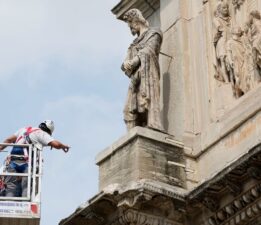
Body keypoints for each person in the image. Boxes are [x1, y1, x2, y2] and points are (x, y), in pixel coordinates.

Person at [0, 120, 70, 197]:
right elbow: (56, 144)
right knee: (26, 186)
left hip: (12, 162)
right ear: (49, 132)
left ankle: (9, 205)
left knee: (11, 187)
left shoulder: (24, 129)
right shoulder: (42, 134)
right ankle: (24, 207)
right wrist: (63, 146)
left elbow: (8, 140)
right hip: (26, 164)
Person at [121, 8, 163, 131]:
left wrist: (134, 62)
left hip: (148, 76)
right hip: (135, 80)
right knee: (128, 110)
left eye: (130, 26)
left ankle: (152, 127)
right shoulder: (134, 43)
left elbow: (149, 50)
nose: (131, 30)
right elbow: (125, 61)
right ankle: (132, 137)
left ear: (135, 22)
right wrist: (126, 64)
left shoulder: (154, 33)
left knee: (146, 103)